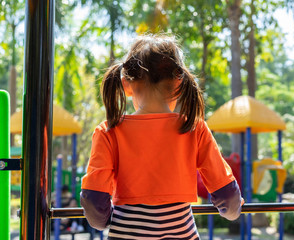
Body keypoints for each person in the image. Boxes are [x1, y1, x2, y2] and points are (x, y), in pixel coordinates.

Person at [80, 34, 244, 240]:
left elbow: (94, 202)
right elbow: (227, 197)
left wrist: (104, 220)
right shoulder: (194, 128)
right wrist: (232, 212)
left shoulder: (108, 132)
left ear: (126, 85)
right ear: (179, 82)